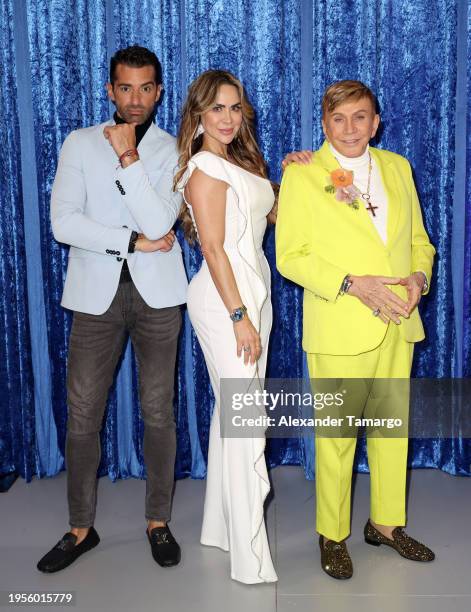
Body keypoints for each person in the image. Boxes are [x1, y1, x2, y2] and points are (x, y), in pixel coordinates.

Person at [276, 80, 436, 579]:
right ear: (324, 123)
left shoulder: (397, 167)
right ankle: (332, 533)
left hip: (398, 321)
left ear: (376, 121)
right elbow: (290, 258)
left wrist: (418, 278)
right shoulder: (304, 175)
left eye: (361, 117)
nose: (350, 129)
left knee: (393, 431)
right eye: (339, 119)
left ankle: (386, 525)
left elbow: (419, 242)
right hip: (341, 323)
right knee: (337, 436)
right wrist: (352, 284)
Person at [37, 46, 188, 573]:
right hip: (94, 297)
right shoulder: (79, 143)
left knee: (157, 410)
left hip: (159, 297)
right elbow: (63, 223)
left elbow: (160, 223)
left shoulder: (174, 150)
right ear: (110, 90)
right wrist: (130, 240)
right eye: (125, 88)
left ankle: (158, 521)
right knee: (82, 413)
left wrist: (129, 156)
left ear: (159, 92)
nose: (136, 99)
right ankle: (80, 527)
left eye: (146, 88)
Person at [174, 70, 278, 583]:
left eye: (236, 108)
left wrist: (297, 172)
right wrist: (239, 317)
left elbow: (271, 215)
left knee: (231, 415)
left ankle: (219, 527)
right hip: (225, 303)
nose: (229, 118)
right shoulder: (204, 168)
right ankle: (250, 558)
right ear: (198, 114)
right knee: (245, 421)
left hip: (252, 292)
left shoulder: (239, 161)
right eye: (217, 108)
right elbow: (213, 248)